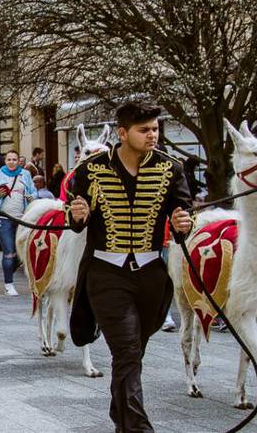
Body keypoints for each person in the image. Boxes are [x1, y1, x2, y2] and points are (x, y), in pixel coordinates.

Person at [67, 102, 192, 432]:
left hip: (151, 277)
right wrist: (76, 216)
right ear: (122, 134)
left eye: (155, 129)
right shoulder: (89, 170)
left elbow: (183, 215)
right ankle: (138, 428)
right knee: (126, 350)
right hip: (106, 275)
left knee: (133, 355)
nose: (152, 135)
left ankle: (121, 418)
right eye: (144, 130)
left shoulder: (171, 169)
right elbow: (75, 216)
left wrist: (184, 223)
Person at [0, 150, 35, 296]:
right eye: (9, 159)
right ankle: (9, 284)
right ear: (5, 161)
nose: (12, 162)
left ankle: (8, 273)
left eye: (14, 159)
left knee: (20, 254)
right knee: (9, 251)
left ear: (19, 161)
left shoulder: (25, 174)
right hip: (2, 217)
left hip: (22, 218)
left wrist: (32, 197)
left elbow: (33, 191)